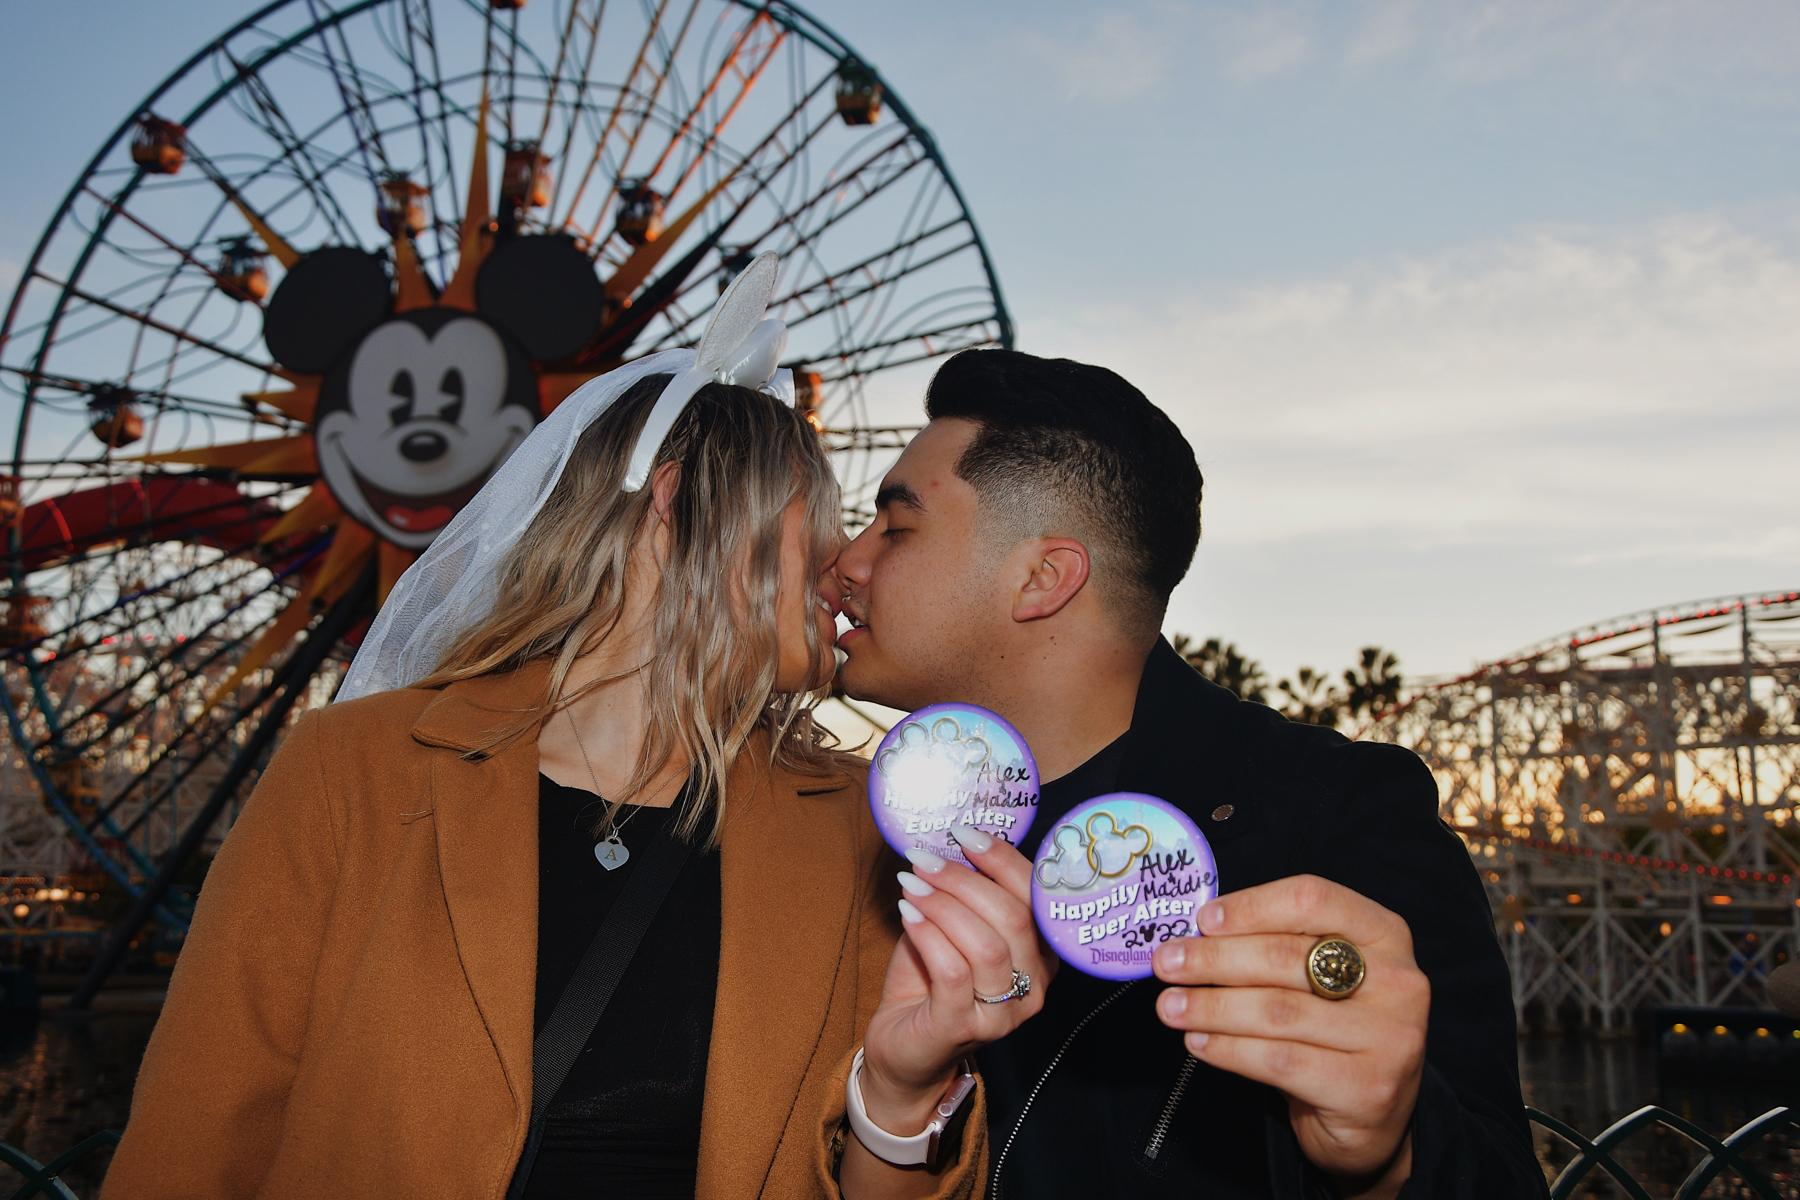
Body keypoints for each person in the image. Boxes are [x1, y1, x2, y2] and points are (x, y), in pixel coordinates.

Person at [99, 258, 1014, 1199]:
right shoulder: (353, 773)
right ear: (674, 502)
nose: (847, 563)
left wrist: (901, 1095)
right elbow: (195, 1141)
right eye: (815, 527)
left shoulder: (858, 827)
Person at [829, 348, 1549, 1198]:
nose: (847, 561)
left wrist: (1388, 1156)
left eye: (894, 527)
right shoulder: (871, 843)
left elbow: (1501, 1175)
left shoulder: (1334, 822)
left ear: (1042, 578)